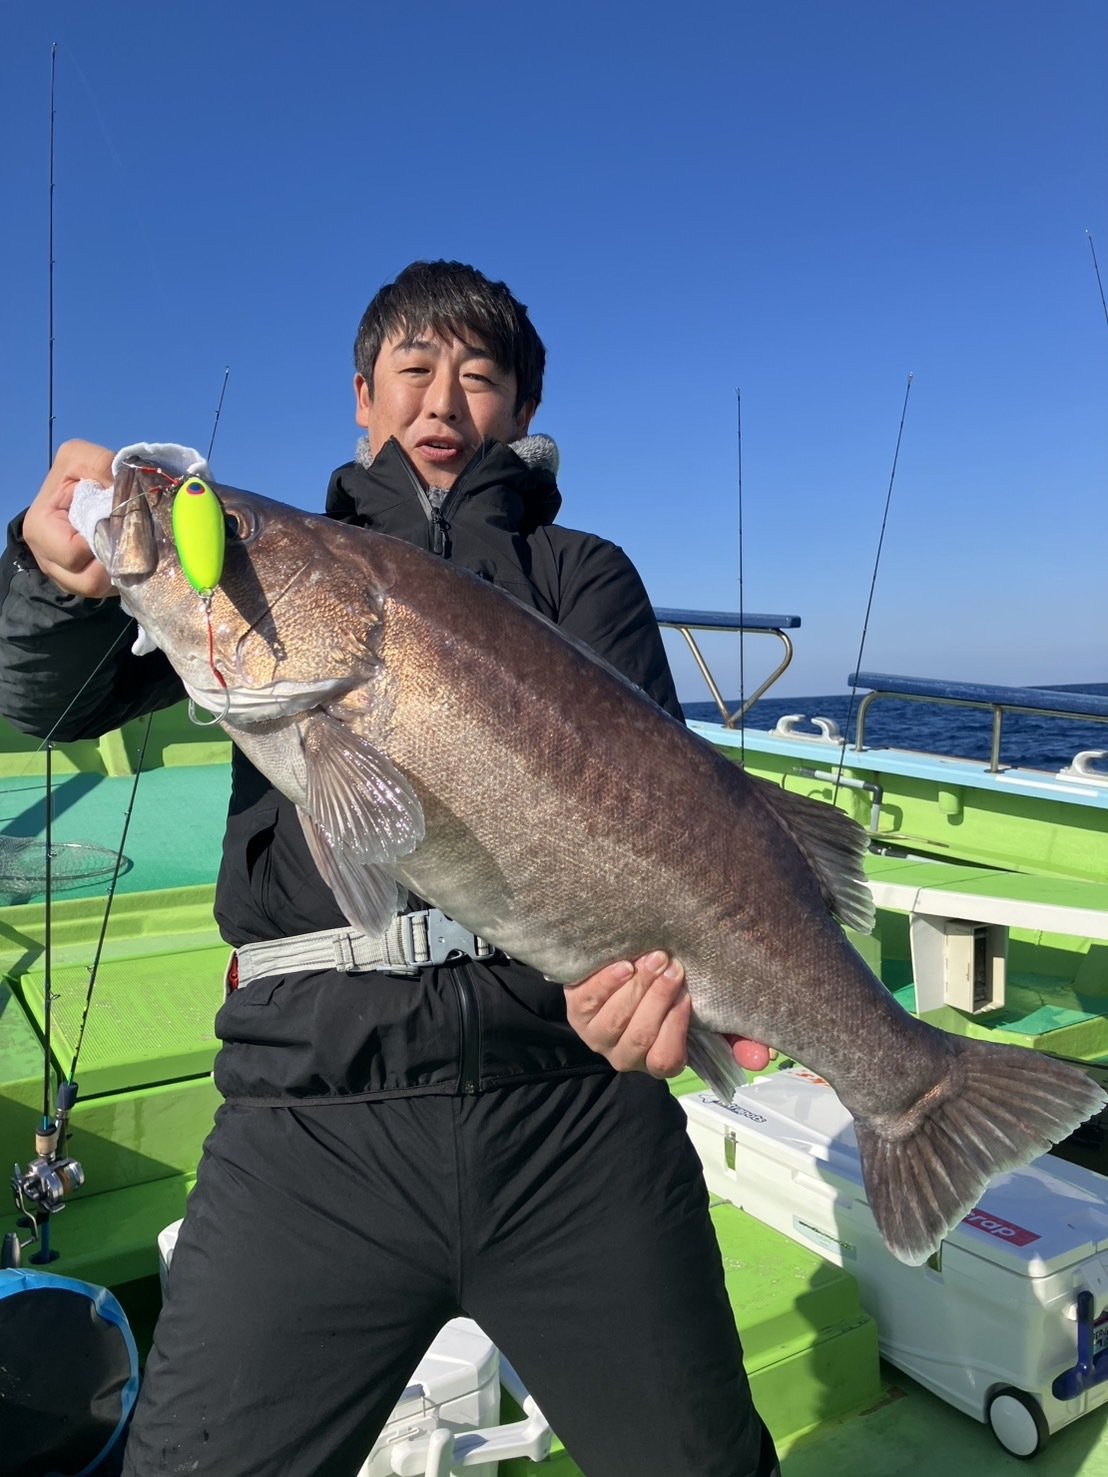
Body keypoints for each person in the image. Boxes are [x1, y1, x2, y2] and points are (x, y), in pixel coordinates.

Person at [0, 261, 780, 1476]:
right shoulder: (249, 564)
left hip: (572, 1104)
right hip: (309, 1114)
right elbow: (42, 698)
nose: (443, 401)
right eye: (413, 370)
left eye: (480, 377)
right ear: (362, 397)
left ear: (522, 410)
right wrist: (50, 578)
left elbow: (663, 810)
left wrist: (652, 993)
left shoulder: (584, 573)